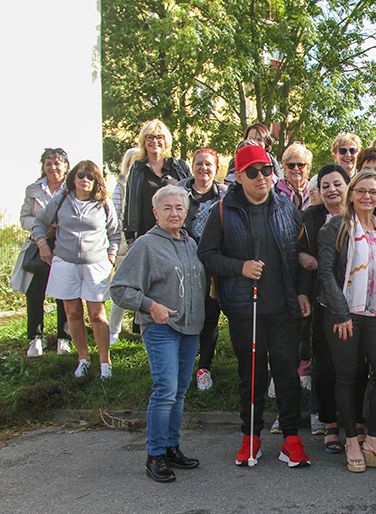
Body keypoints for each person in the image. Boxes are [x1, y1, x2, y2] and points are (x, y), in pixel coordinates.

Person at [198, 145, 310, 469]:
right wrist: (239, 266)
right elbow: (206, 255)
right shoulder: (222, 211)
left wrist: (302, 293)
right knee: (252, 375)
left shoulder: (287, 207)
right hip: (246, 310)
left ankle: (291, 438)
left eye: (266, 170)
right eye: (253, 172)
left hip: (284, 308)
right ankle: (251, 436)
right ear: (238, 176)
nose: (261, 177)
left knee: (287, 374)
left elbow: (301, 254)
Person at [110, 185, 205, 483]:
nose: (174, 213)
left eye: (179, 207)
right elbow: (119, 289)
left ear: (186, 212)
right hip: (161, 329)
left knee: (178, 392)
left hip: (190, 329)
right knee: (165, 390)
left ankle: (171, 447)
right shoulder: (145, 245)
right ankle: (154, 455)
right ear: (156, 213)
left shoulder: (191, 244)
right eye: (167, 208)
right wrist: (150, 306)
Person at [317, 170, 376, 472]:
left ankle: (373, 439)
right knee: (347, 377)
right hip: (344, 316)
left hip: (375, 313)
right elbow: (326, 273)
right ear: (351, 194)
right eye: (361, 191)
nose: (367, 196)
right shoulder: (336, 227)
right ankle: (351, 438)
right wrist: (340, 313)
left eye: (373, 192)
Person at [33, 160, 120, 378]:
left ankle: (105, 362)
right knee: (72, 313)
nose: (85, 180)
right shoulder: (61, 200)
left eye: (90, 177)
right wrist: (43, 246)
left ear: (97, 181)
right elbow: (39, 224)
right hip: (65, 263)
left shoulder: (104, 203)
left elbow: (115, 234)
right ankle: (83, 358)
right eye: (81, 175)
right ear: (73, 178)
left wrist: (110, 258)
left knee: (97, 315)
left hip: (96, 265)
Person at [297, 165, 352, 455]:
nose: (332, 190)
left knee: (356, 367)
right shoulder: (310, 217)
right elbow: (295, 252)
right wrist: (302, 255)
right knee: (326, 366)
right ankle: (330, 424)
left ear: (348, 186)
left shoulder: (363, 215)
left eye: (337, 184)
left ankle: (356, 425)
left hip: (359, 304)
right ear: (318, 191)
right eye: (325, 185)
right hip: (323, 304)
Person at [12, 148, 72, 357]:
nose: (53, 167)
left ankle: (64, 338)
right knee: (35, 293)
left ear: (66, 166)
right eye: (48, 163)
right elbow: (24, 217)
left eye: (57, 163)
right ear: (43, 166)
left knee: (64, 294)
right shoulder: (33, 189)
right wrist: (41, 227)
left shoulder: (72, 189)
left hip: (65, 247)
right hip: (39, 246)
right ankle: (36, 337)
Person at [179, 149, 227, 391]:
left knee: (210, 319)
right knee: (183, 317)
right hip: (181, 264)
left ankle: (204, 368)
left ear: (216, 167)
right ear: (192, 166)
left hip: (212, 267)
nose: (203, 168)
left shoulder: (225, 195)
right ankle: (182, 367)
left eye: (208, 164)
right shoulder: (179, 192)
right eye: (199, 164)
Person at [123, 119, 191, 243]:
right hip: (146, 235)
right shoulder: (137, 169)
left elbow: (190, 199)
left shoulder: (179, 167)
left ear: (166, 141)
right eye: (150, 137)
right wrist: (129, 237)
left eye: (159, 137)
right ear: (144, 141)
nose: (154, 141)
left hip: (176, 234)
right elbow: (130, 203)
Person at [108, 148, 141, 345]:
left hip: (147, 237)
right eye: (133, 162)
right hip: (124, 241)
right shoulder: (120, 186)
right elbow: (115, 215)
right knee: (123, 285)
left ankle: (141, 328)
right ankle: (114, 330)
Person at [275, 143, 313, 210]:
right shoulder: (275, 192)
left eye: (300, 165)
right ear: (285, 168)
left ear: (308, 168)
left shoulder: (316, 191)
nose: (296, 168)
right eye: (291, 165)